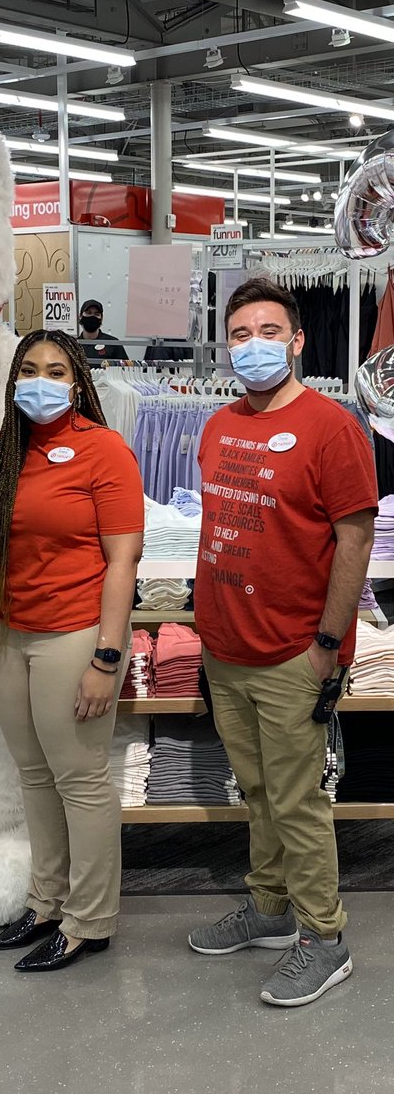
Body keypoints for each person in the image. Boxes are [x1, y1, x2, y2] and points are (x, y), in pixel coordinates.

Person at [190, 276, 377, 1008]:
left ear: (298, 341)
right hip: (225, 648)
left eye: (269, 331)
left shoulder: (333, 427)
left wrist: (328, 645)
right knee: (259, 791)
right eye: (240, 334)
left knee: (298, 803)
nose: (254, 345)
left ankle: (325, 940)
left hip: (294, 652)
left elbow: (354, 538)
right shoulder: (216, 425)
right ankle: (270, 910)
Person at [0, 329, 144, 973]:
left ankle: (90, 919)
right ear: (14, 380)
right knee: (34, 774)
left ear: (78, 383)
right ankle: (46, 902)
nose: (43, 381)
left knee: (80, 779)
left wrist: (106, 657)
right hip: (8, 633)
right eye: (31, 369)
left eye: (58, 371)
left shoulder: (105, 451)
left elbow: (123, 562)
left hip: (75, 634)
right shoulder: (0, 451)